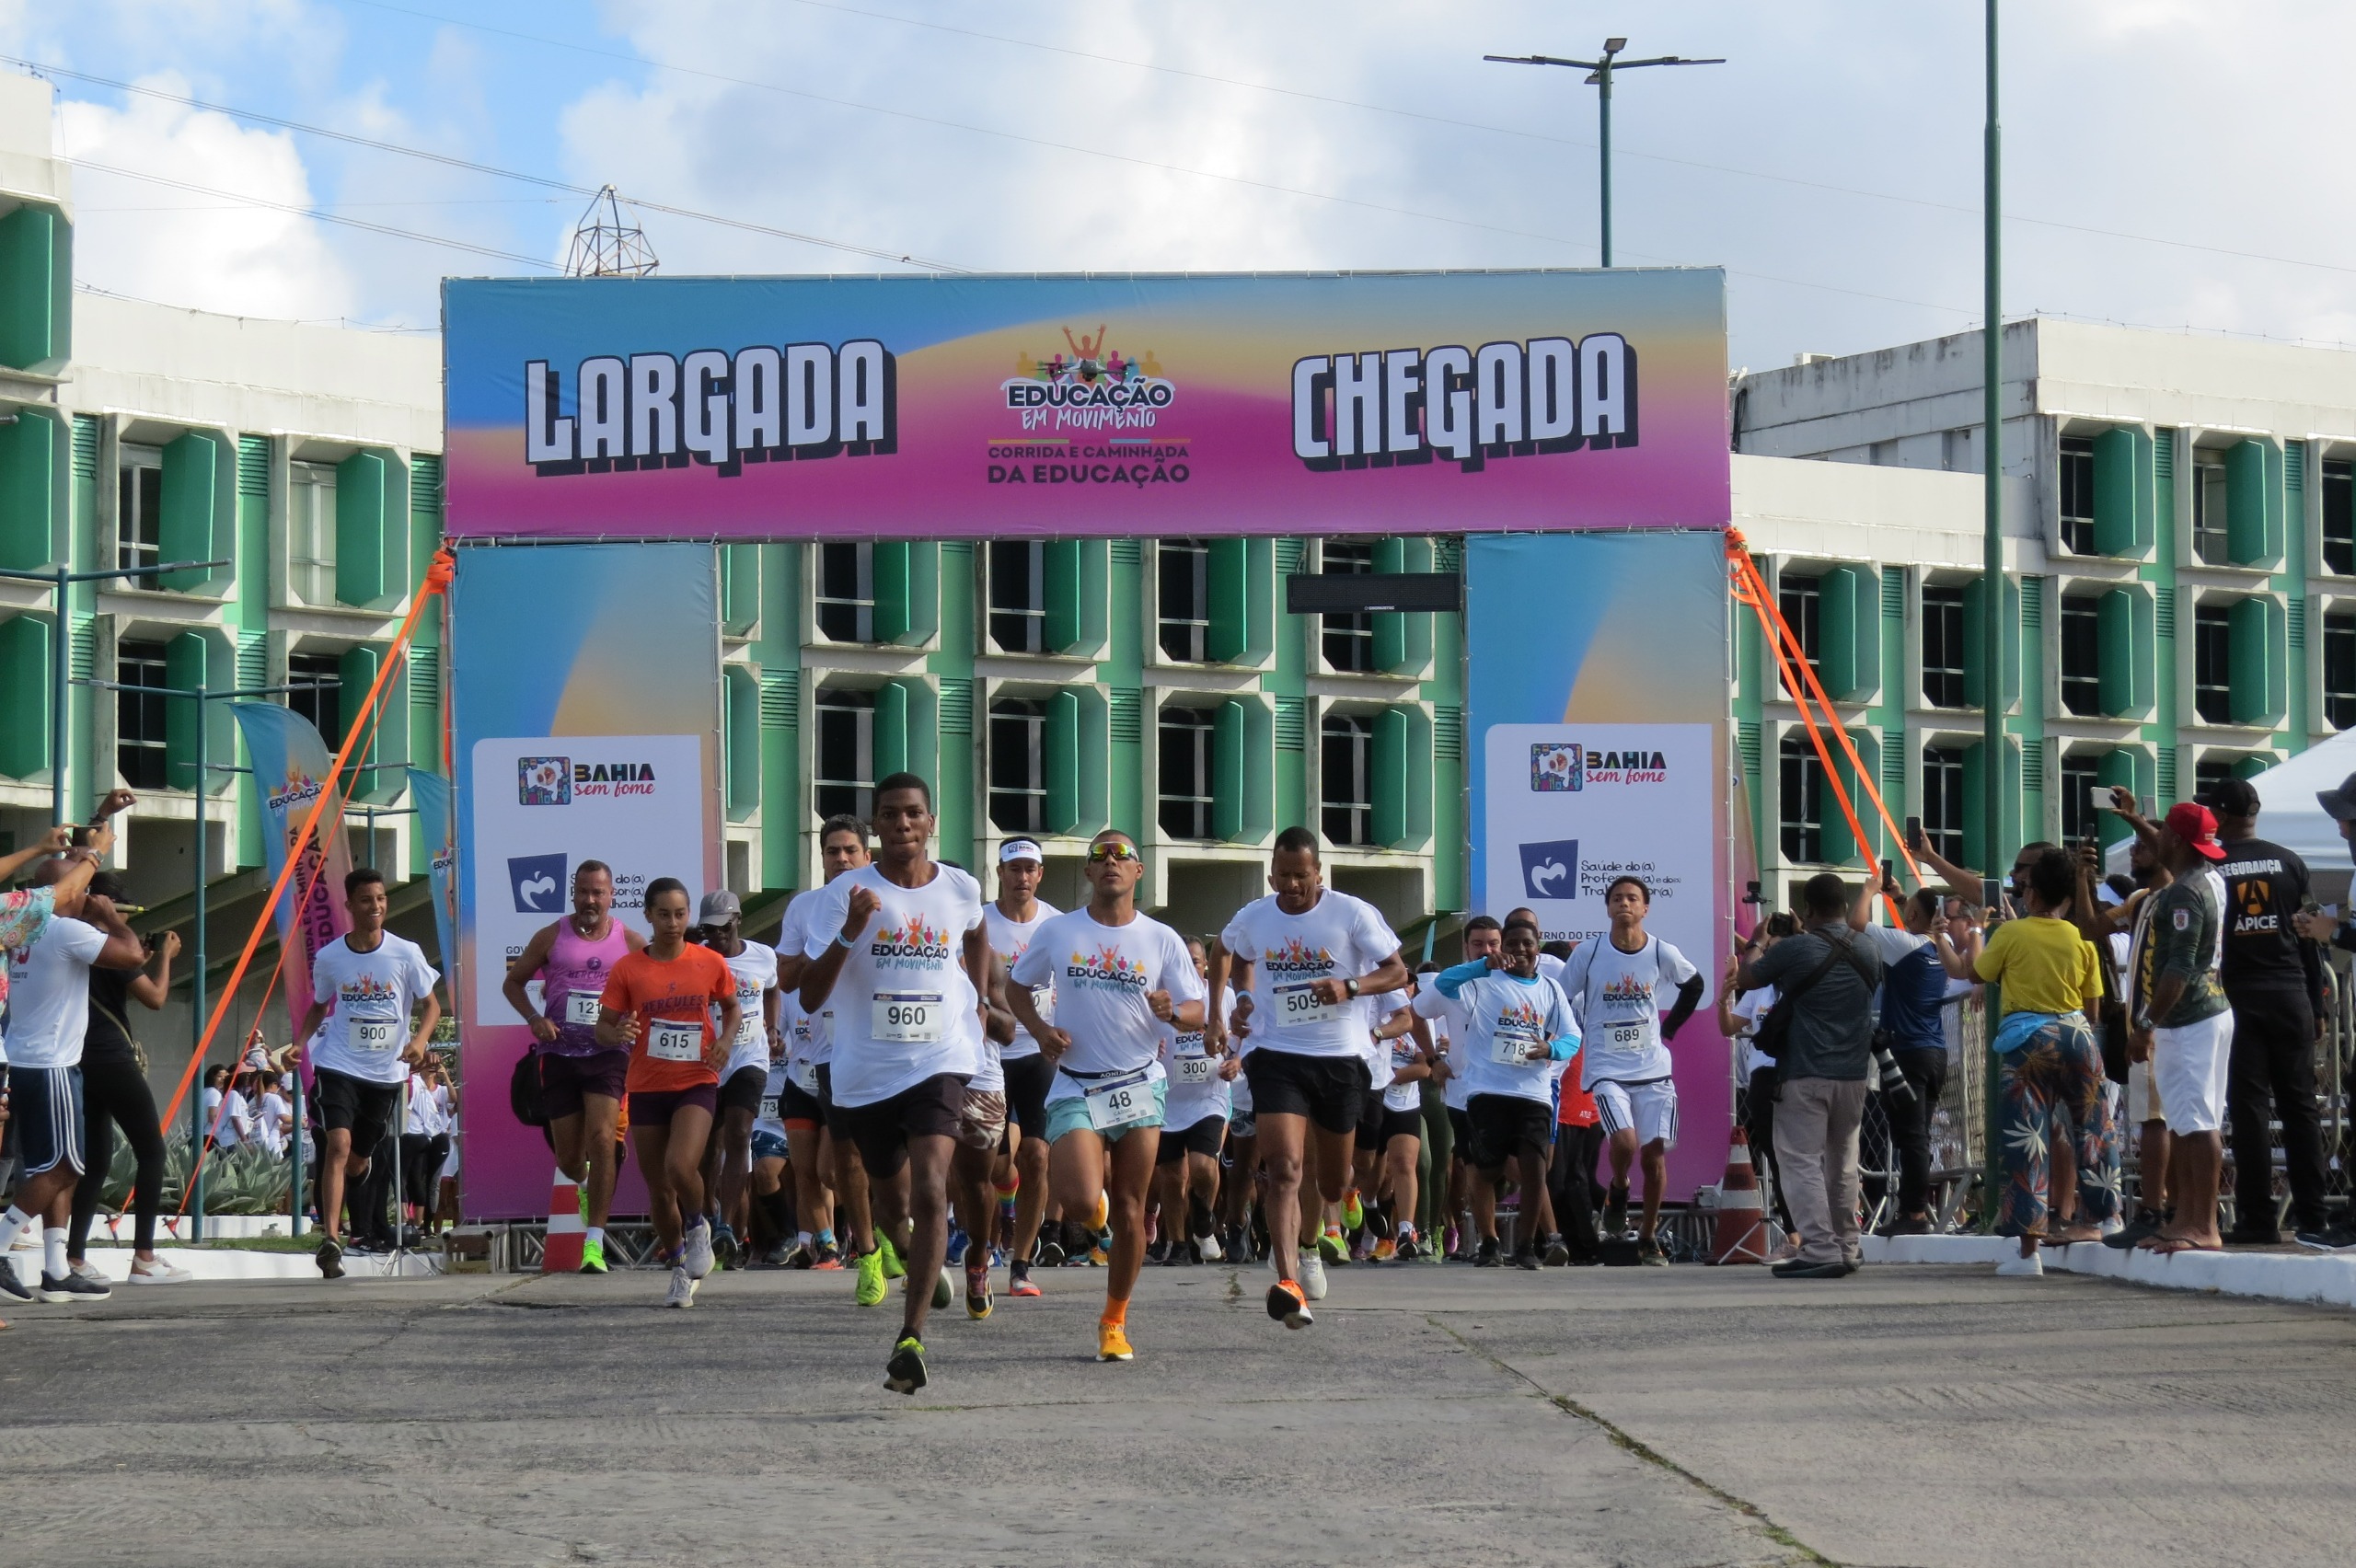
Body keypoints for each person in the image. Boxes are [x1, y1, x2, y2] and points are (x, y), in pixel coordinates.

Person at [799, 774, 990, 1395]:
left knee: (933, 1187)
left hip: (941, 1059)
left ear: (932, 823)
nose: (902, 824)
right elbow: (808, 993)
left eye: (913, 814)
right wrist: (852, 929)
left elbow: (977, 933)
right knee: (893, 1206)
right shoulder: (846, 893)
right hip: (864, 1071)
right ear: (876, 826)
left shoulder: (961, 887)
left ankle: (909, 1340)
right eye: (890, 815)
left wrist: (980, 998)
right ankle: (915, 1260)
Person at [1010, 829, 1203, 1361]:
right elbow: (1015, 987)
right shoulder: (1058, 931)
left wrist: (1173, 1013)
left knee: (1132, 1205)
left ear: (1139, 872)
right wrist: (1041, 1030)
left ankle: (1114, 1322)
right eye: (1101, 855)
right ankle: (1098, 1234)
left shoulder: (1161, 938)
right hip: (1077, 1082)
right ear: (1089, 872)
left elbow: (1197, 1011)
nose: (1112, 861)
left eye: (1124, 855)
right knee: (1077, 1199)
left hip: (1140, 1083)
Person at [1207, 826, 1409, 1331]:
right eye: (1284, 876)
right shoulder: (1255, 915)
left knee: (1334, 1180)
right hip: (1276, 1054)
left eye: (1303, 876)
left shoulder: (1353, 914)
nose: (1292, 885)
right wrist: (1231, 1005)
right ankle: (1288, 1280)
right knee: (1284, 1170)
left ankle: (1312, 1241)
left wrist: (1350, 986)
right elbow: (1227, 952)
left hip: (1342, 1059)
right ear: (1271, 874)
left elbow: (1398, 973)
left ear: (1320, 874)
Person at [2191, 778, 2336, 1249]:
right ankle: (2314, 1216)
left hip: (2239, 995)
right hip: (2291, 991)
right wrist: (2316, 1003)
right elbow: (2310, 934)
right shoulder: (2290, 861)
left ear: (2225, 816)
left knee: (2250, 1109)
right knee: (2300, 1109)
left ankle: (2258, 1216)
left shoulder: (2214, 862)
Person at [0, 853, 146, 1304]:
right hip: (52, 1065)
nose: (88, 895)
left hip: (29, 1058)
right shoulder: (65, 929)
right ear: (62, 893)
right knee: (67, 1167)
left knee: (53, 1170)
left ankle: (57, 1268)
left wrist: (97, 827)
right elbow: (133, 955)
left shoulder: (22, 927)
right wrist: (110, 919)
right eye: (81, 888)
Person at [1966, 847, 2116, 1274]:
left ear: (2030, 893)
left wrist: (1980, 932)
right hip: (2078, 1033)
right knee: (2094, 1128)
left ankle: (2029, 1253)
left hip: (2028, 1039)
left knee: (2027, 1137)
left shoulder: (2013, 934)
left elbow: (1977, 973)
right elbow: (2094, 1005)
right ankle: (2108, 1216)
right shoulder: (2080, 937)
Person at [595, 878, 741, 1308]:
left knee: (681, 1166)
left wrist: (727, 1041)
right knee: (658, 1188)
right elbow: (603, 1027)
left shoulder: (708, 961)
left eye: (681, 914)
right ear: (648, 916)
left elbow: (732, 1008)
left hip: (696, 1079)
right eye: (664, 914)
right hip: (646, 1085)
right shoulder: (629, 969)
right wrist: (617, 1031)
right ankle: (680, 1266)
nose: (674, 923)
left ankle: (699, 1227)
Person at [295, 869, 443, 1281]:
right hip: (338, 1063)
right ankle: (331, 1238)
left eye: (380, 899)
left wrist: (419, 1041)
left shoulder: (405, 952)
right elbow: (319, 1005)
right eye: (366, 900)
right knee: (337, 1145)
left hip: (386, 1073)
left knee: (359, 1160)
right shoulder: (330, 957)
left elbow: (431, 1006)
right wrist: (299, 1042)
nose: (375, 906)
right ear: (349, 906)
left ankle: (355, 1188)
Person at [1737, 872, 1886, 1280]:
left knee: (1800, 1162)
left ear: (1807, 910)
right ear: (1843, 903)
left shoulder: (1797, 948)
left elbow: (1748, 978)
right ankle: (1847, 1246)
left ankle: (1819, 1249)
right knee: (1842, 1165)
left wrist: (1756, 941)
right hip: (1854, 1076)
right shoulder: (1870, 949)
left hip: (1804, 1072)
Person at [502, 860, 644, 1274]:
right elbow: (513, 983)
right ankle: (583, 1186)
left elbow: (647, 991)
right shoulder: (551, 936)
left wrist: (631, 1023)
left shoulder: (630, 942)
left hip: (607, 1054)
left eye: (598, 892)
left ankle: (594, 1244)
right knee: (569, 1159)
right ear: (573, 893)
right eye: (583, 892)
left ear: (611, 895)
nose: (590, 900)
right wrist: (533, 1018)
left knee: (602, 1140)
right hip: (559, 1054)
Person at [1554, 876, 1705, 1266]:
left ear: (1644, 909)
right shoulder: (1588, 953)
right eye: (1617, 898)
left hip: (1652, 1067)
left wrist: (1669, 1030)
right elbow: (1558, 995)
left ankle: (1649, 1237)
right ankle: (1619, 1187)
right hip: (1605, 1066)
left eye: (1632, 898)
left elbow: (1695, 985)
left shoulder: (1660, 951)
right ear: (1607, 908)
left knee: (1654, 1155)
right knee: (1625, 1142)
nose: (1625, 903)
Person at [1422, 917, 1579, 1269]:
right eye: (1512, 944)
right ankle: (1490, 1244)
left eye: (1528, 943)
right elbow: (1445, 984)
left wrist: (1551, 1050)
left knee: (1535, 1168)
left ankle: (1526, 1247)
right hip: (1487, 1091)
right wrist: (1483, 964)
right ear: (1503, 948)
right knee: (1485, 1170)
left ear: (1538, 947)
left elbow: (1572, 1035)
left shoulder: (1550, 990)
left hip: (1534, 1092)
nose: (1520, 950)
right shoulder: (1482, 982)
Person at [777, 815, 882, 1296]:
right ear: (821, 859)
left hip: (880, 1047)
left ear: (866, 855)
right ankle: (865, 1249)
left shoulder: (887, 896)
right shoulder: (804, 907)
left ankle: (891, 1232)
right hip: (823, 1051)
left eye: (850, 851)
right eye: (832, 851)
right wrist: (829, 946)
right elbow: (786, 978)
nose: (841, 859)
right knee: (829, 1168)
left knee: (880, 1158)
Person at [2129, 804, 2235, 1255]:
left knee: (2194, 1123)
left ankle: (2202, 1223)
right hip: (2208, 1012)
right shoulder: (2210, 877)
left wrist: (2146, 1024)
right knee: (2190, 1121)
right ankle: (2189, 1218)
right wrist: (2133, 819)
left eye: (2163, 830)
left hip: (2187, 1018)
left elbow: (2178, 967)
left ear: (2174, 838)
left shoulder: (2183, 894)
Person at [1851, 878, 1956, 1237]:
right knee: (1919, 1134)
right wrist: (1898, 898)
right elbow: (1918, 915)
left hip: (1906, 1055)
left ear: (1912, 915)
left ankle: (1913, 1214)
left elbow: (1857, 922)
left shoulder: (1904, 945)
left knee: (1910, 1136)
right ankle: (1915, 1208)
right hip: (1935, 1051)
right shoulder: (1944, 947)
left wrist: (1869, 890)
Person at [982, 838, 1060, 1297]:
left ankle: (1021, 1262)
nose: (1022, 877)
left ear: (1040, 874)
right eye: (1014, 869)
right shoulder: (980, 923)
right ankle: (996, 1216)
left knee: (1038, 1155)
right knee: (993, 1167)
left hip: (1040, 1053)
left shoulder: (1056, 925)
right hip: (991, 1055)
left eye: (1030, 869)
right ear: (1001, 873)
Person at [697, 889, 781, 1268]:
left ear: (737, 921)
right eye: (707, 930)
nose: (715, 936)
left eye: (721, 928)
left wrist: (773, 1025)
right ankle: (707, 1216)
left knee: (739, 1135)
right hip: (707, 1062)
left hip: (749, 1057)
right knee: (706, 1151)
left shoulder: (762, 955)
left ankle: (726, 1228)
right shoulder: (697, 960)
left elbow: (773, 988)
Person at [1153, 938, 1235, 1266]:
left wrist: (1236, 1062)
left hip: (1209, 1098)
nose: (1191, 965)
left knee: (1202, 1168)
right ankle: (1180, 1243)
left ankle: (1203, 1212)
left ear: (1205, 965)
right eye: (1185, 960)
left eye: (1197, 961)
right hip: (1169, 1100)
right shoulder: (1159, 998)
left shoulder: (1221, 996)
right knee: (1173, 1176)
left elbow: (1245, 1036)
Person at [1425, 916, 1502, 1260]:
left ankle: (1538, 1240)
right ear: (1465, 946)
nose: (1487, 951)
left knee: (1514, 1167)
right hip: (1462, 1092)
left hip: (1508, 1091)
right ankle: (1489, 1240)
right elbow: (1415, 1013)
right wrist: (1432, 1060)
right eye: (1478, 944)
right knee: (1471, 1167)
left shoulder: (1517, 981)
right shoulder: (1454, 982)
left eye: (1493, 944)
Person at [1720, 912, 1798, 1240]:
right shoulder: (1757, 989)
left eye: (1785, 949)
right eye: (1771, 950)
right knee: (1777, 1158)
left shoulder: (1802, 981)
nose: (1776, 956)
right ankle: (1795, 1237)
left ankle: (1822, 1232)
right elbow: (1728, 1028)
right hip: (1762, 1078)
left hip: (1797, 1074)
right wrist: (1724, 997)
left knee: (1806, 1158)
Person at [1362, 981, 1432, 1261]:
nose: (1402, 990)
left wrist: (1391, 1075)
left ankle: (1406, 1231)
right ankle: (1368, 1202)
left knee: (1405, 1164)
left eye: (1407, 986)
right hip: (1372, 1099)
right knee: (1372, 1170)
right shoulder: (1370, 1015)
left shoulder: (1414, 1021)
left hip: (1404, 1103)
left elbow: (1424, 1066)